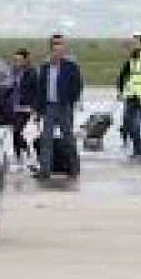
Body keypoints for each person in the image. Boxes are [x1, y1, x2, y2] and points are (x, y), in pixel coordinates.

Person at [34, 34, 84, 179]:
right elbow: (40, 89)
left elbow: (78, 85)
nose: (57, 49)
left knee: (68, 138)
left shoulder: (70, 67)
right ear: (51, 48)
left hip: (64, 107)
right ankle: (45, 170)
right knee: (46, 139)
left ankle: (74, 168)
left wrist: (70, 100)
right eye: (55, 46)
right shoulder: (45, 67)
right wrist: (38, 109)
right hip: (49, 107)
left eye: (60, 45)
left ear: (63, 49)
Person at [9, 48, 38, 168]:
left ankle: (27, 153)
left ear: (26, 60)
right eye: (15, 60)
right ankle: (20, 156)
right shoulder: (14, 72)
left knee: (16, 131)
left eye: (19, 60)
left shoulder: (32, 73)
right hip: (14, 106)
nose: (17, 62)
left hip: (26, 108)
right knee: (15, 133)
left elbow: (37, 91)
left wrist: (35, 108)